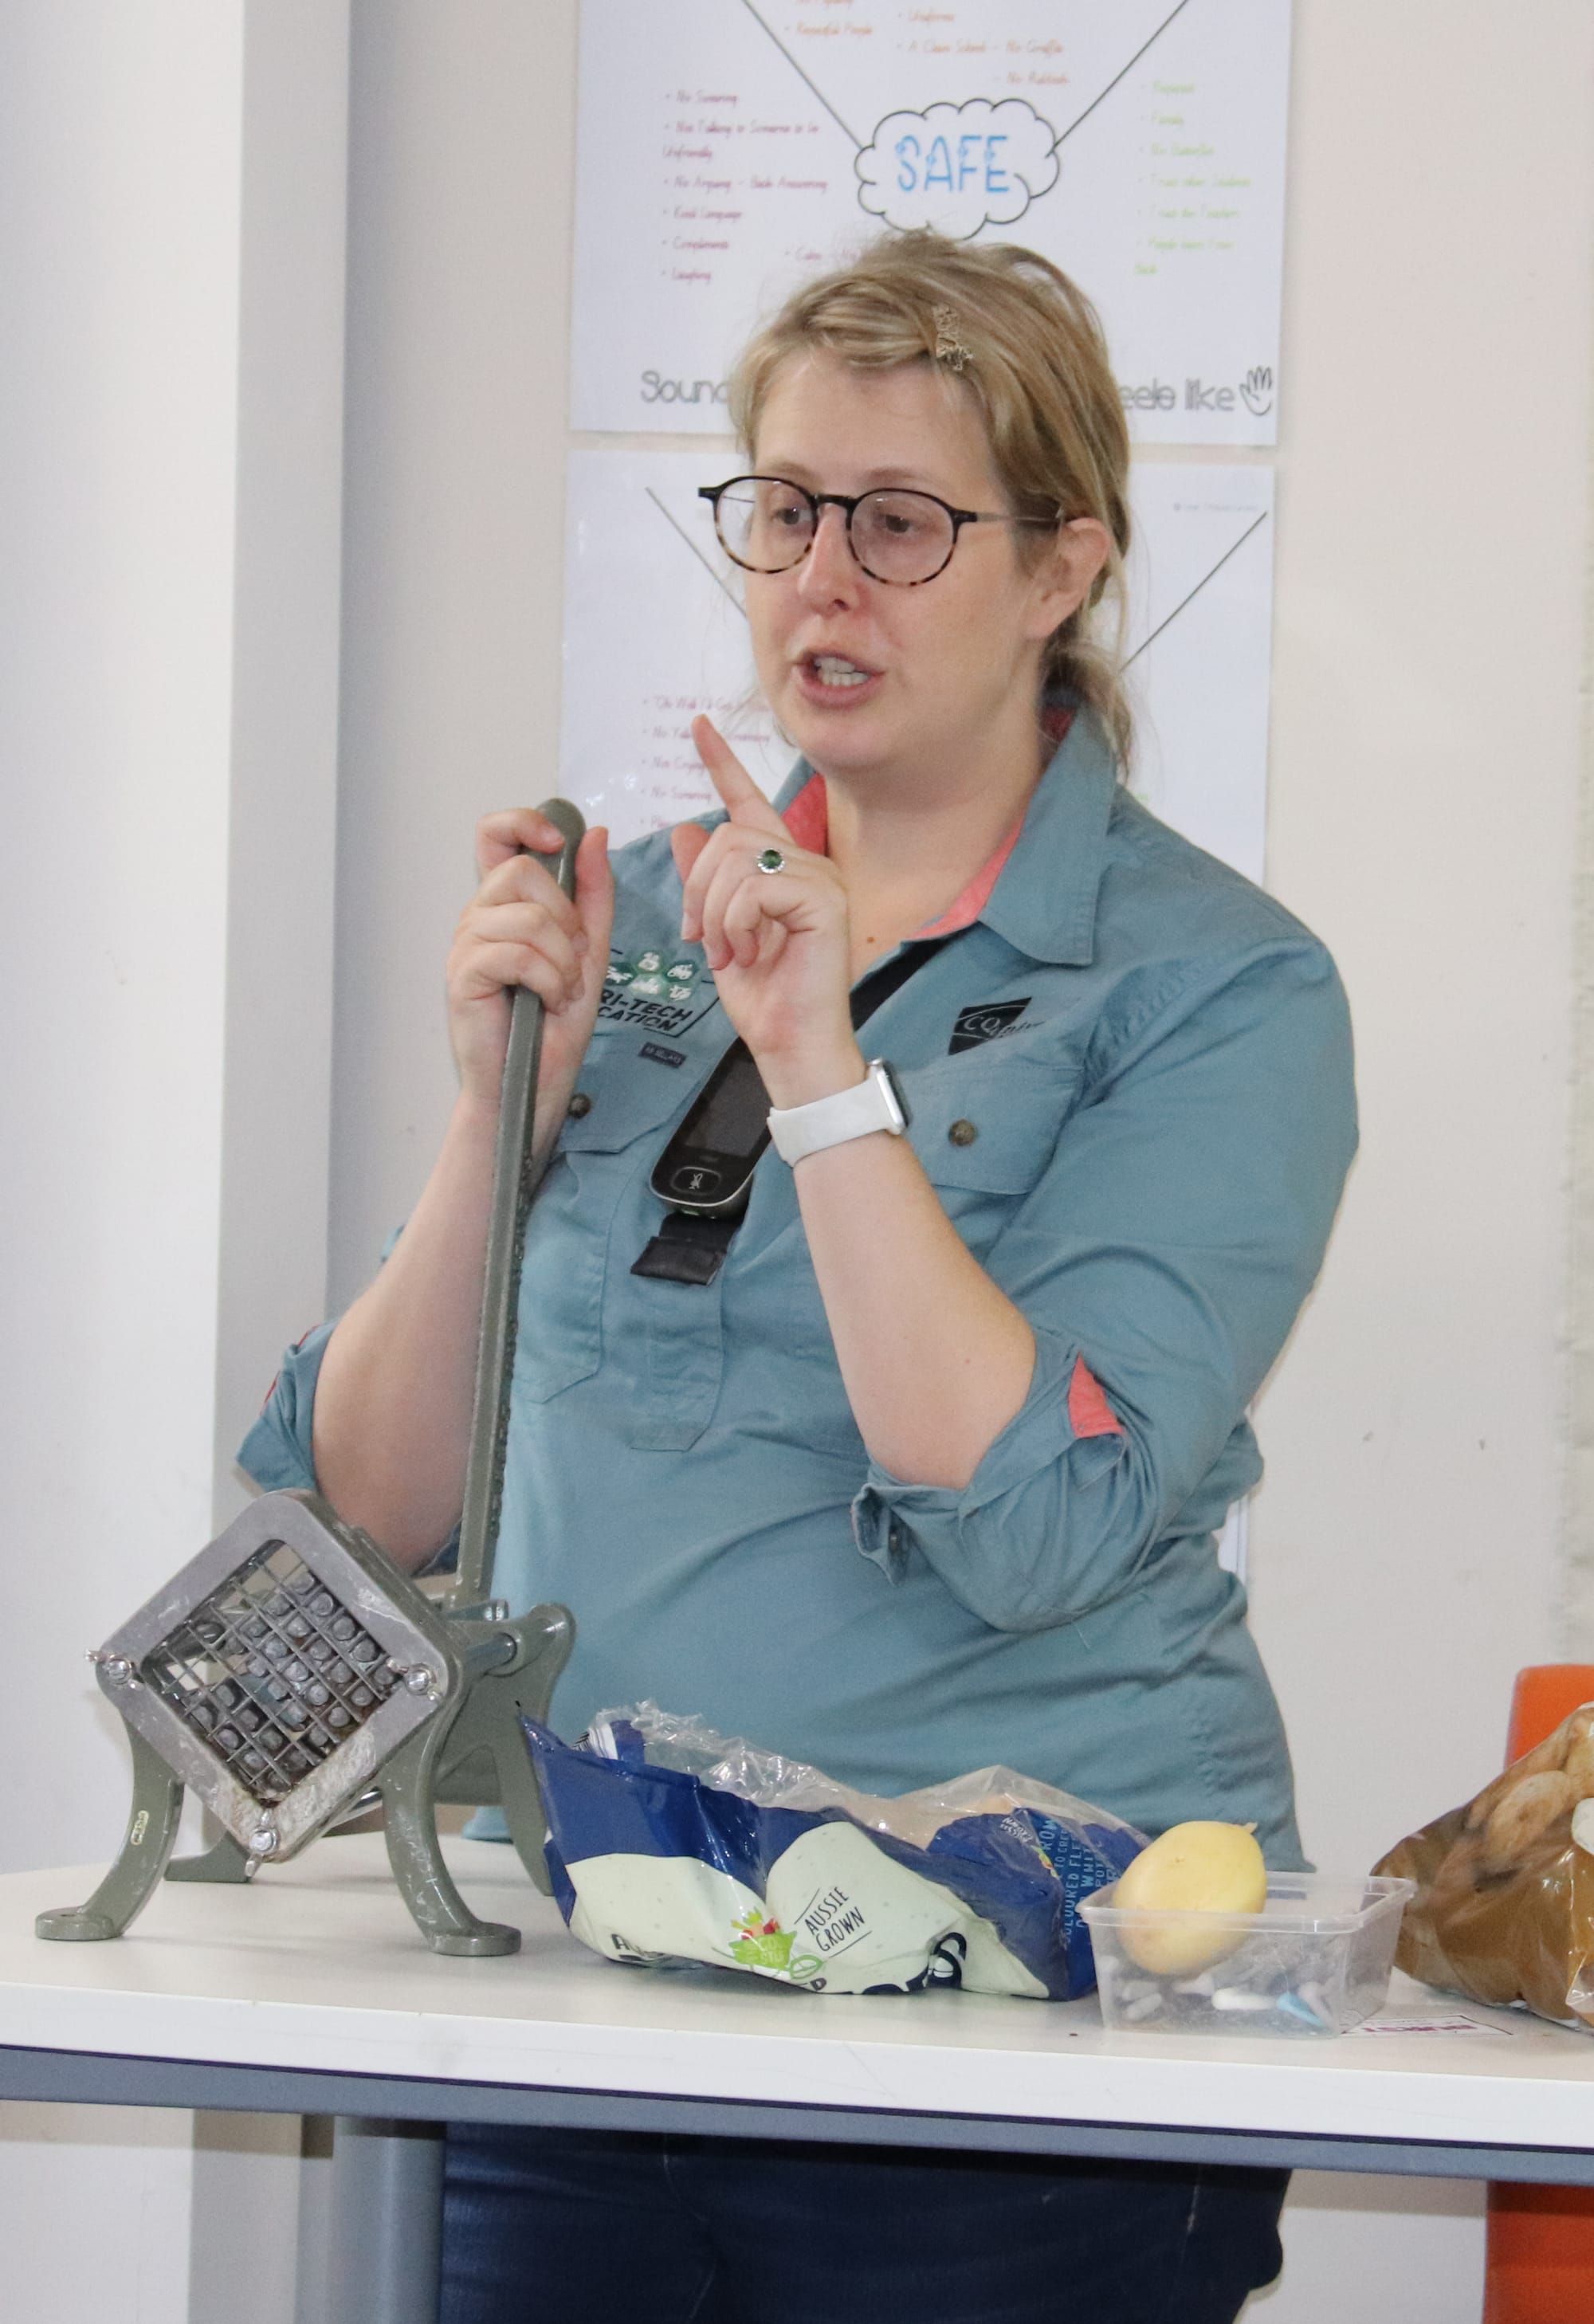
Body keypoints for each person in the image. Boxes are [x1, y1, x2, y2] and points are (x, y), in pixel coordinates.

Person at [242, 231, 1355, 2322]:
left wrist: (824, 1068)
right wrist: (504, 1111)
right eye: (782, 507)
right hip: (589, 1988)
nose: (821, 577)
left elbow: (1033, 1521)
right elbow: (373, 1510)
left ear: (1061, 569)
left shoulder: (1221, 991)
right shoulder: (622, 915)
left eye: (904, 521)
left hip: (1017, 2016)